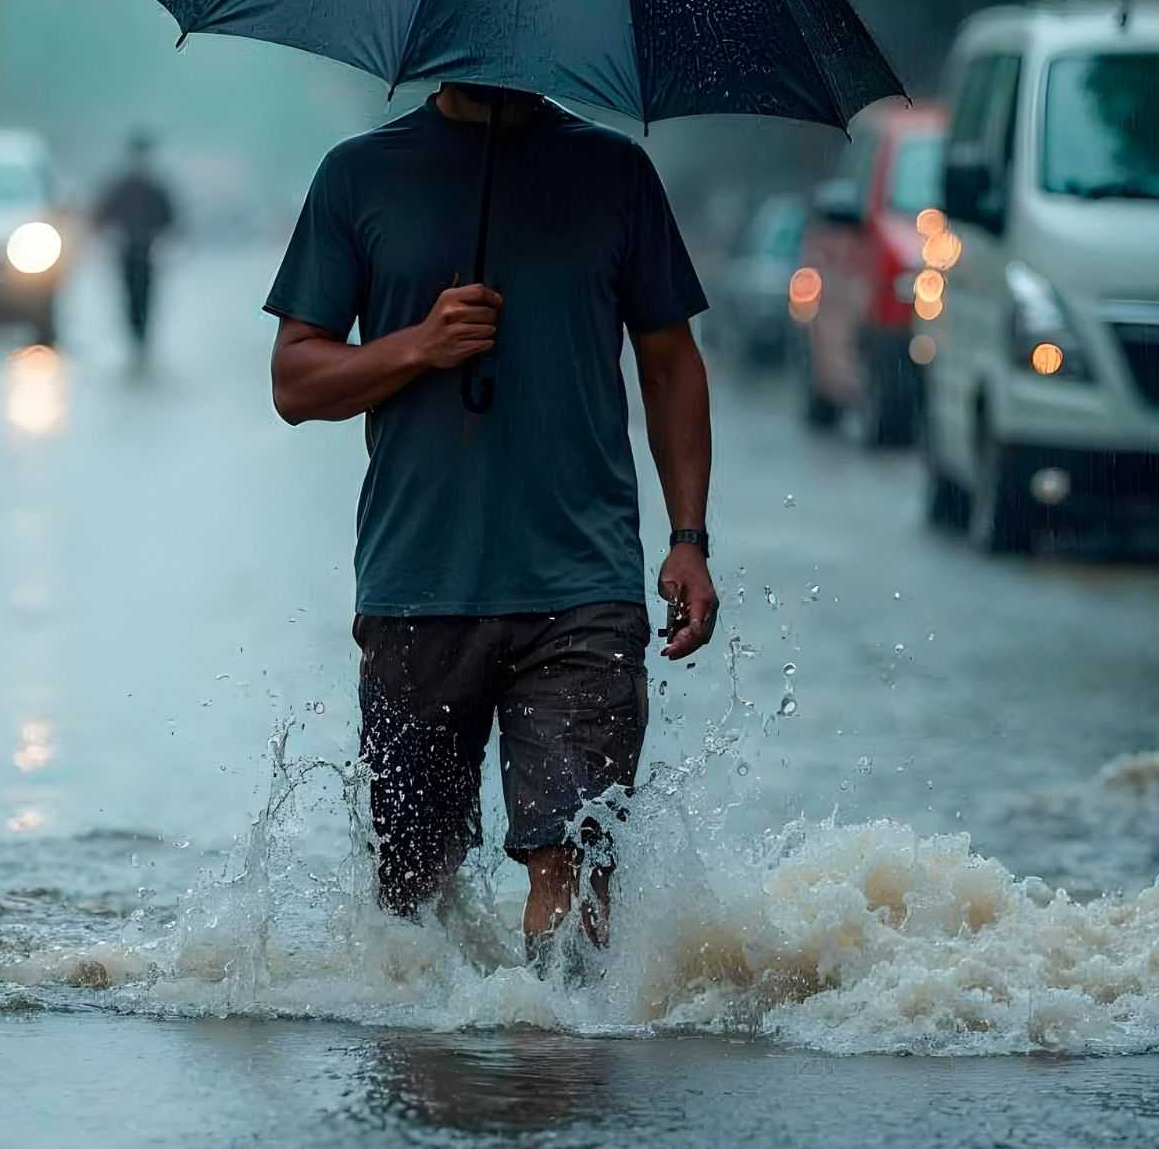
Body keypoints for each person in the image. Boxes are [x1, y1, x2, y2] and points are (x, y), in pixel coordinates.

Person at [265, 84, 719, 968]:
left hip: (582, 589)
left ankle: (555, 1076)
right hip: (415, 584)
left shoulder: (615, 173)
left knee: (575, 862)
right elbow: (294, 381)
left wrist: (689, 538)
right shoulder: (358, 176)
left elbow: (670, 363)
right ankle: (439, 1083)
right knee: (412, 893)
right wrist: (420, 345)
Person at [93, 129, 179, 358]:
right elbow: (100, 216)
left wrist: (159, 239)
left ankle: (142, 337)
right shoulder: (122, 187)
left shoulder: (155, 189)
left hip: (147, 252)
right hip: (127, 251)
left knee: (145, 296)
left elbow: (171, 220)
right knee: (130, 296)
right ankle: (135, 337)